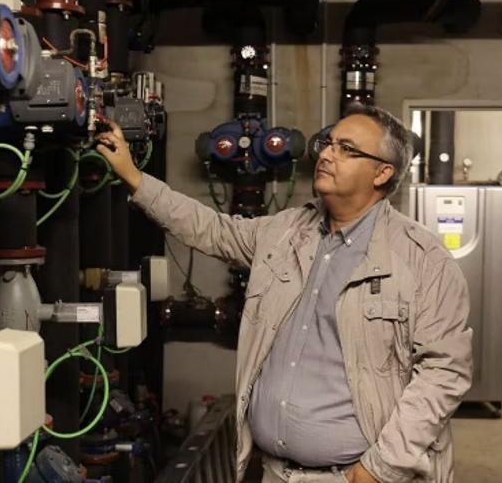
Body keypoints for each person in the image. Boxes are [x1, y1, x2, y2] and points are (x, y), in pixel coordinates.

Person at [95, 105, 473, 483]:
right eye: (328, 143)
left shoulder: (424, 261)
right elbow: (210, 229)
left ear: (383, 172)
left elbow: (444, 372)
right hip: (275, 472)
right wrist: (133, 176)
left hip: (358, 477)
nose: (325, 154)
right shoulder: (287, 231)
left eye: (346, 148)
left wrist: (381, 467)